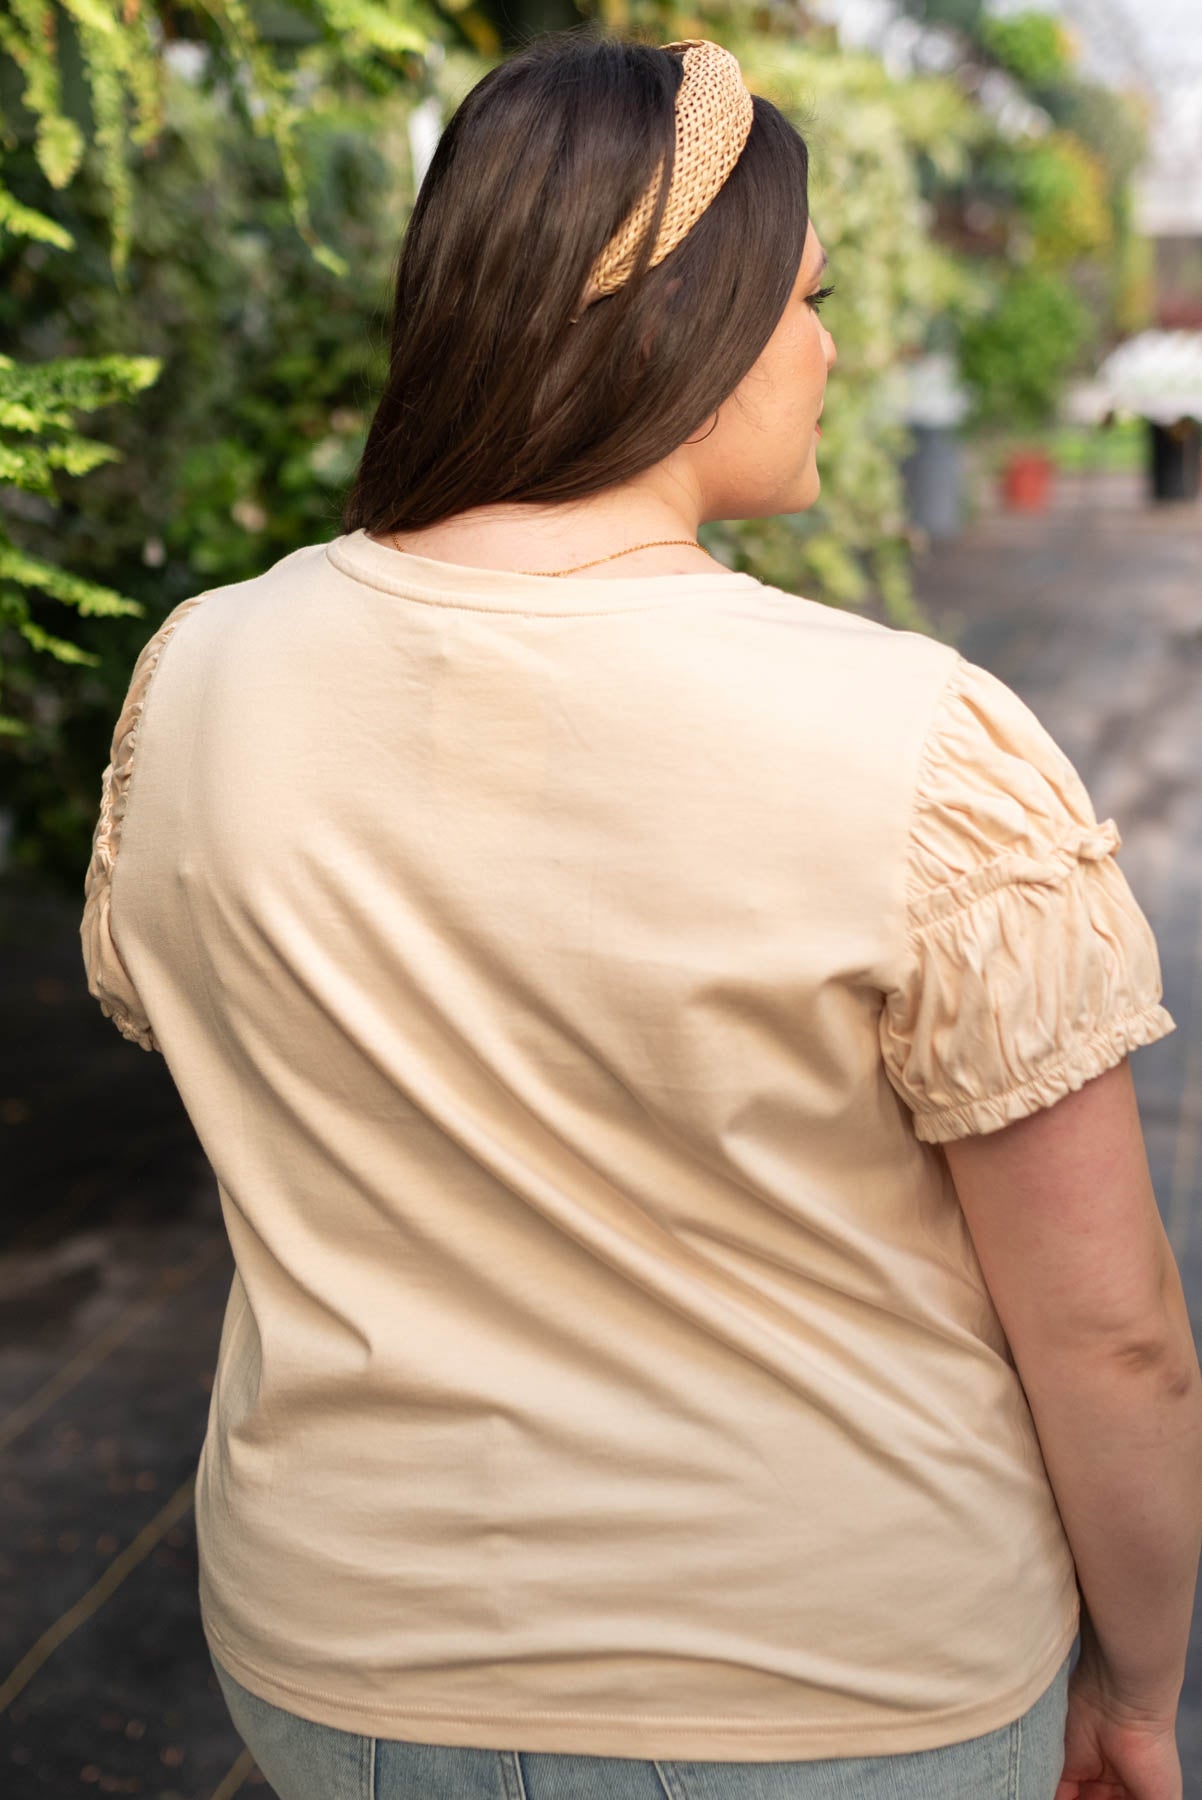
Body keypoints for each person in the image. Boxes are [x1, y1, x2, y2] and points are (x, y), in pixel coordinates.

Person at [79, 27, 1202, 1800]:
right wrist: (1140, 1685)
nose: (840, 349)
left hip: (341, 1669)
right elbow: (1110, 1330)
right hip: (837, 1691)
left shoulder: (200, 677)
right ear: (682, 313)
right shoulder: (915, 740)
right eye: (809, 296)